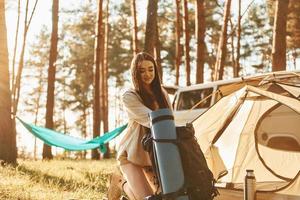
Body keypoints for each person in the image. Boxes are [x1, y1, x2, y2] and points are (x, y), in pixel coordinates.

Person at [108, 52, 172, 200]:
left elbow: (169, 120)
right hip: (131, 155)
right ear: (135, 73)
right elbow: (153, 120)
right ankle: (120, 182)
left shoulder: (162, 93)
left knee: (166, 196)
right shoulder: (129, 96)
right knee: (147, 198)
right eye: (141, 70)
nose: (147, 74)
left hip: (154, 156)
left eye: (151, 69)